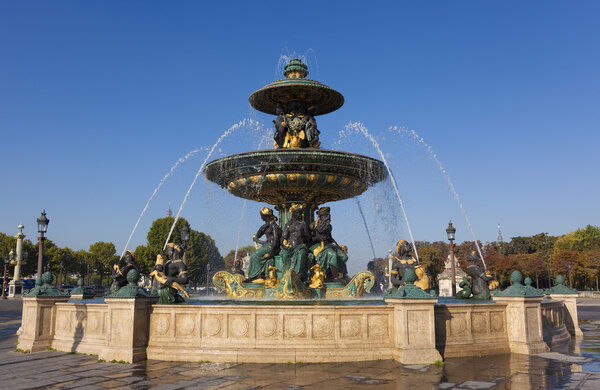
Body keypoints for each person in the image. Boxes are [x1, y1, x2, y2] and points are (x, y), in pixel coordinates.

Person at [310, 207, 348, 283]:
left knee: (344, 256)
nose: (328, 217)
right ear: (321, 215)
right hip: (318, 245)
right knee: (333, 255)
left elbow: (330, 238)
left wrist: (337, 246)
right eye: (326, 215)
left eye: (328, 215)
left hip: (328, 245)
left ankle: (337, 274)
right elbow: (310, 238)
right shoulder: (313, 225)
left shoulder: (329, 226)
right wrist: (318, 238)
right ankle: (334, 278)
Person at [245, 207, 281, 282]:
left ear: (266, 216)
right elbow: (258, 235)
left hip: (271, 247)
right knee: (254, 255)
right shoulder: (267, 226)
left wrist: (271, 253)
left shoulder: (274, 226)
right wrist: (263, 228)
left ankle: (255, 276)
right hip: (267, 245)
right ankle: (257, 275)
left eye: (262, 216)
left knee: (255, 255)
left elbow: (276, 240)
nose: (261, 218)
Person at [279, 204, 311, 280]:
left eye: (300, 213)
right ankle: (286, 275)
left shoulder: (303, 224)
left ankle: (297, 277)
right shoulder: (288, 225)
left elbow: (308, 237)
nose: (299, 214)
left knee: (301, 255)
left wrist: (303, 237)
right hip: (290, 247)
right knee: (284, 254)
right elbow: (283, 237)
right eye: (297, 212)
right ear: (292, 213)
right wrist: (283, 246)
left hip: (300, 246)